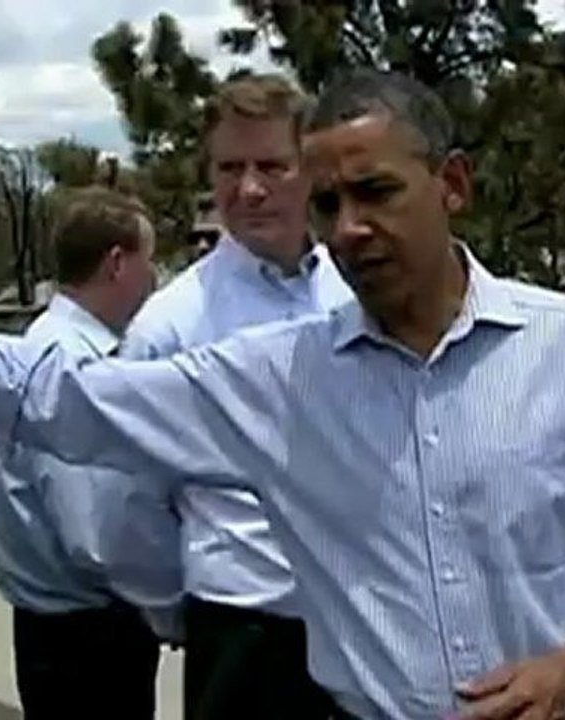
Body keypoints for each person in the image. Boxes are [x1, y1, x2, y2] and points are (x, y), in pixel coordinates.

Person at [0, 70, 565, 720]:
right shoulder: (281, 380)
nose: (349, 228)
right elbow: (68, 402)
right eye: (326, 204)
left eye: (375, 191)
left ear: (452, 185)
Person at [123, 74, 351, 719]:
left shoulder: (360, 295)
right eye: (230, 167)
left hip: (367, 629)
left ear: (311, 170)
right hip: (244, 637)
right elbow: (127, 509)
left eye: (273, 166)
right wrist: (180, 608)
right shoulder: (169, 327)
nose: (249, 189)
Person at [0, 187, 177, 719]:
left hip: (61, 630)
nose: (154, 276)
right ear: (117, 264)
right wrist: (171, 605)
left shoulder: (42, 342)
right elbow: (97, 537)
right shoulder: (73, 369)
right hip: (87, 638)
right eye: (149, 260)